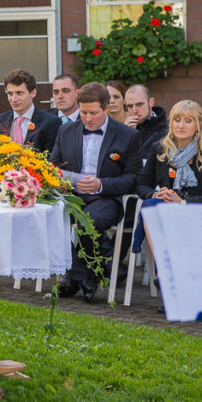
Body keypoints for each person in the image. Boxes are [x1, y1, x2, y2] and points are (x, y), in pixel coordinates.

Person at [50, 82, 140, 303]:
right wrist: (73, 180)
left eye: (93, 113)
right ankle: (87, 274)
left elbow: (133, 178)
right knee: (46, 220)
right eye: (83, 112)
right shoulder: (65, 130)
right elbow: (52, 167)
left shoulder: (128, 135)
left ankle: (77, 277)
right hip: (71, 195)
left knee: (87, 222)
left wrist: (101, 184)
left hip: (106, 197)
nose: (88, 118)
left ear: (107, 108)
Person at [133, 101, 202, 255]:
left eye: (188, 121)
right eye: (177, 120)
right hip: (165, 210)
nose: (181, 125)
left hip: (199, 213)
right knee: (152, 204)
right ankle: (163, 267)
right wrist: (157, 194)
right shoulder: (159, 149)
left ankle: (163, 267)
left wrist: (182, 202)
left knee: (154, 208)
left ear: (198, 125)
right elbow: (141, 185)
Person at [0, 68, 61, 153]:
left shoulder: (50, 122)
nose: (14, 99)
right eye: (10, 94)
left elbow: (52, 157)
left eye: (19, 93)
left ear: (33, 93)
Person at [123, 84, 168, 162]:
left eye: (139, 104)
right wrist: (124, 135)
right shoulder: (124, 128)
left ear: (151, 102)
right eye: (130, 106)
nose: (134, 110)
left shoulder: (167, 128)